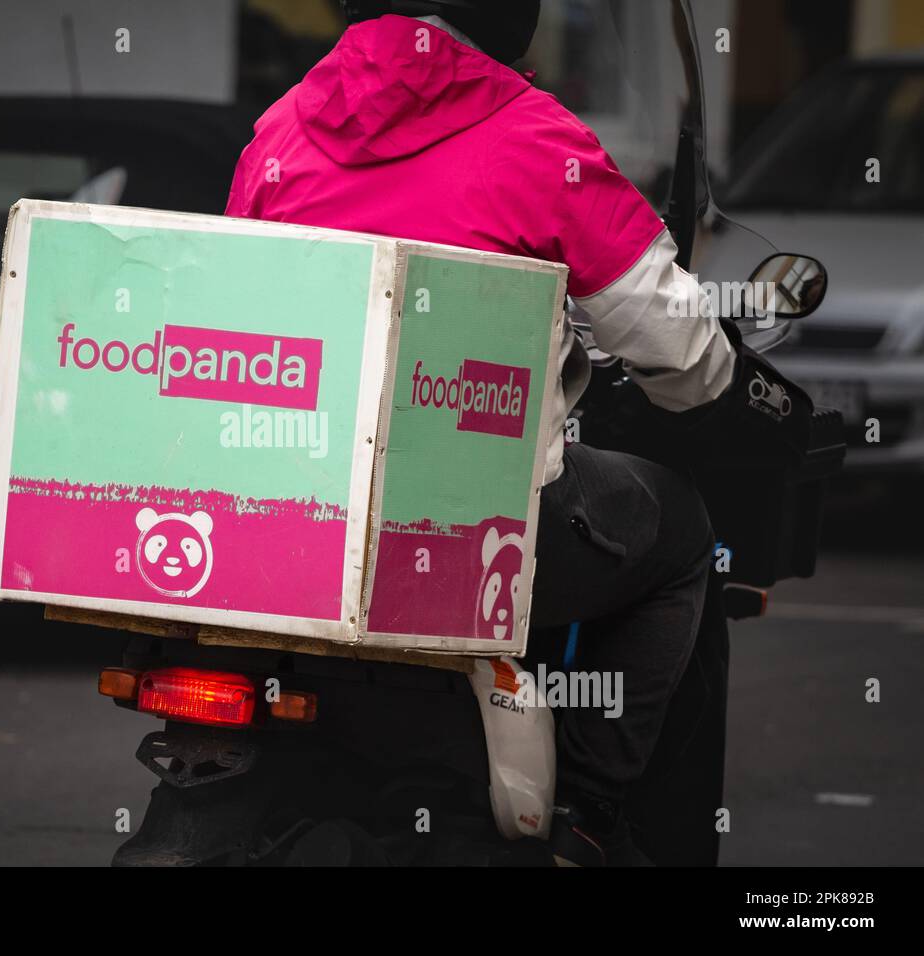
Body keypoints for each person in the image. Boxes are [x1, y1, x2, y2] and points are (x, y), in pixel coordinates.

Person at [225, 0, 738, 865]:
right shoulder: (535, 137)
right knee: (681, 533)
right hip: (467, 534)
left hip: (288, 518)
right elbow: (681, 349)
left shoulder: (279, 131)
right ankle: (588, 807)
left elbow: (234, 320)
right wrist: (708, 377)